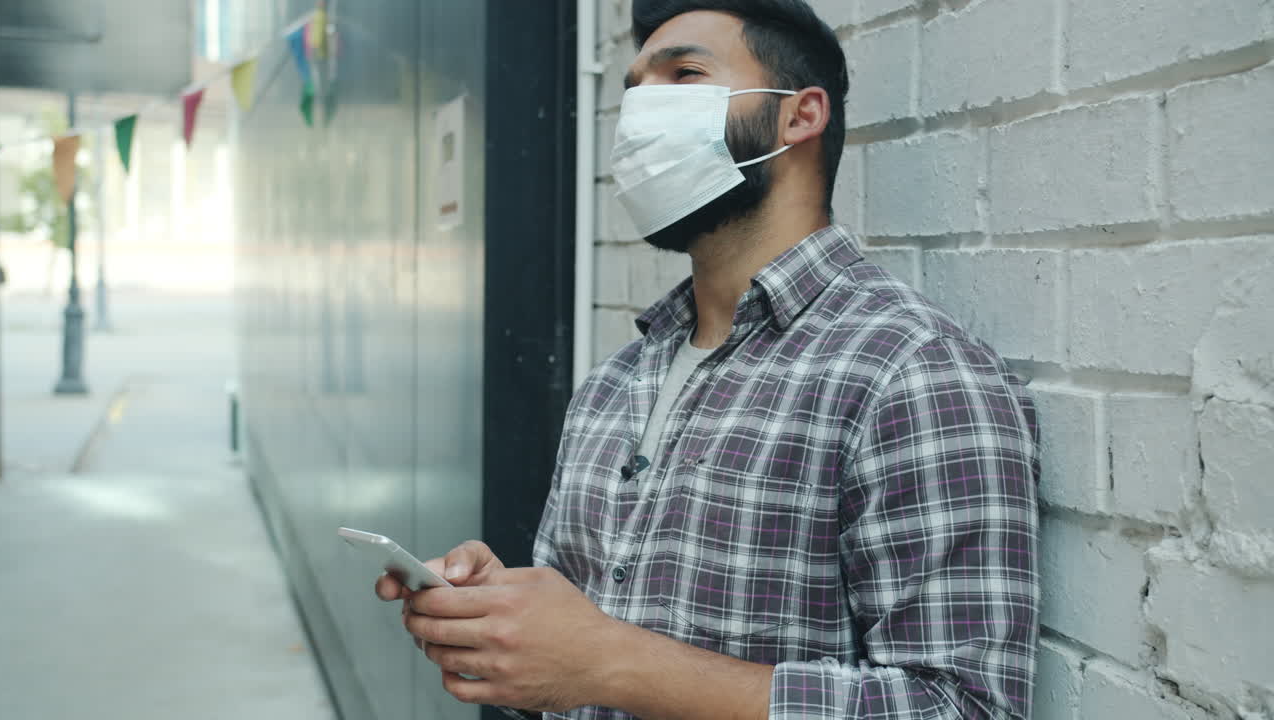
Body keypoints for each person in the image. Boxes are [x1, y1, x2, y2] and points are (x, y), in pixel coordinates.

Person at [376, 1, 1041, 718]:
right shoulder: (616, 382)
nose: (642, 112)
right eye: (635, 89)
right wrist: (505, 628)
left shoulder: (910, 373)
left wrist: (610, 663)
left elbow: (962, 705)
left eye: (684, 75)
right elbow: (571, 671)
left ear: (800, 115)